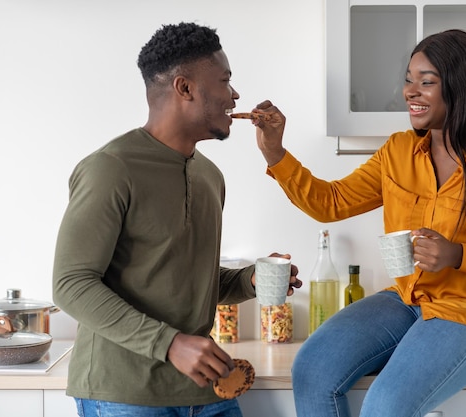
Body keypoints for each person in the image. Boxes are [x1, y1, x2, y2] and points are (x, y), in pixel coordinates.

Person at [250, 29, 466, 417]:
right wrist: (274, 152)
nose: (411, 91)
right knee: (312, 369)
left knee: (386, 405)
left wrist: (457, 254)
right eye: (409, 79)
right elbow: (331, 202)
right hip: (408, 300)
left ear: (463, 88)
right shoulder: (398, 151)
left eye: (427, 82)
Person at [52, 22, 300, 417]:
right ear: (184, 88)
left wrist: (249, 281)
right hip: (124, 395)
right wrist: (169, 343)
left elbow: (186, 277)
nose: (234, 95)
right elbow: (71, 283)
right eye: (225, 81)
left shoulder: (209, 177)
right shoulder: (110, 169)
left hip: (206, 392)